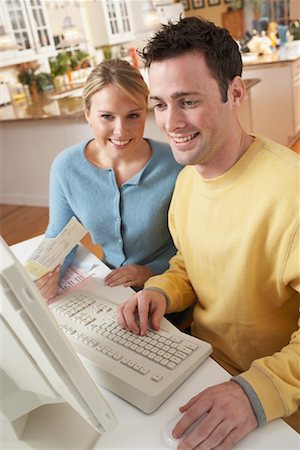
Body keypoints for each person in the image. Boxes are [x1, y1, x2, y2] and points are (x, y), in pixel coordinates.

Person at [117, 17, 300, 449]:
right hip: (200, 366)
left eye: (187, 101)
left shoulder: (290, 193)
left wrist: (256, 392)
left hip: (272, 401)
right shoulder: (189, 179)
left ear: (235, 93)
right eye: (159, 104)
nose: (171, 122)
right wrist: (161, 291)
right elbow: (190, 261)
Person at [36, 59, 182, 300]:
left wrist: (151, 271)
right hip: (109, 285)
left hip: (170, 284)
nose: (121, 130)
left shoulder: (175, 165)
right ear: (88, 114)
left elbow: (196, 243)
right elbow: (59, 238)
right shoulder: (66, 167)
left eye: (133, 115)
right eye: (107, 116)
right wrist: (42, 273)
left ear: (146, 113)